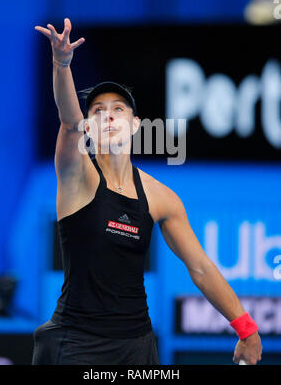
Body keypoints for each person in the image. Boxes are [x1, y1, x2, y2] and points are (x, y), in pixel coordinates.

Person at [31, 18, 262, 365]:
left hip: (137, 345)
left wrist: (246, 328)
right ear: (89, 127)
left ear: (136, 125)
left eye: (118, 110)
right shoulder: (77, 173)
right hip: (75, 343)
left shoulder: (160, 197)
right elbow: (67, 121)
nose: (108, 116)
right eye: (98, 111)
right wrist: (61, 65)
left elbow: (199, 266)